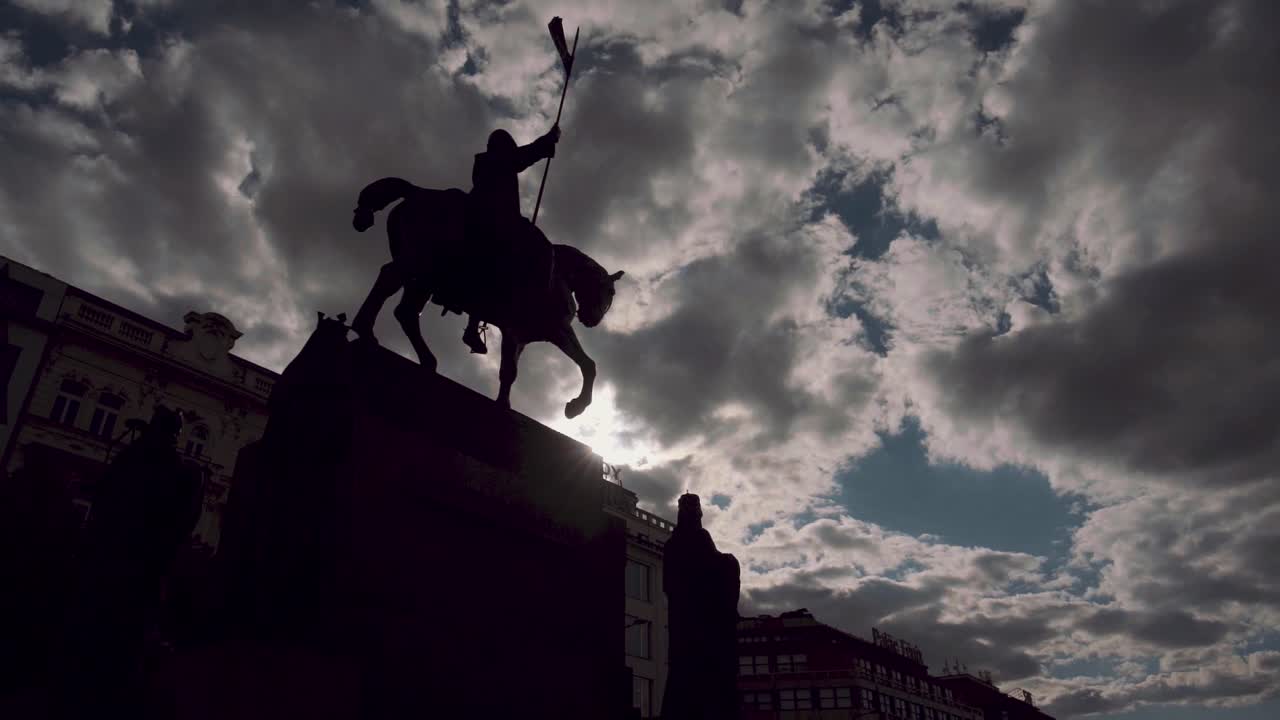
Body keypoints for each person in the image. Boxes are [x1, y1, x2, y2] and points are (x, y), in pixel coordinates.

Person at [461, 125, 561, 354]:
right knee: (540, 247)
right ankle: (535, 300)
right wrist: (547, 141)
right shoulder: (494, 161)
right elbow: (520, 158)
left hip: (494, 218)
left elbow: (518, 158)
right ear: (502, 147)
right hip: (495, 220)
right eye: (509, 147)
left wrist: (545, 145)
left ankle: (478, 321)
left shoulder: (488, 161)